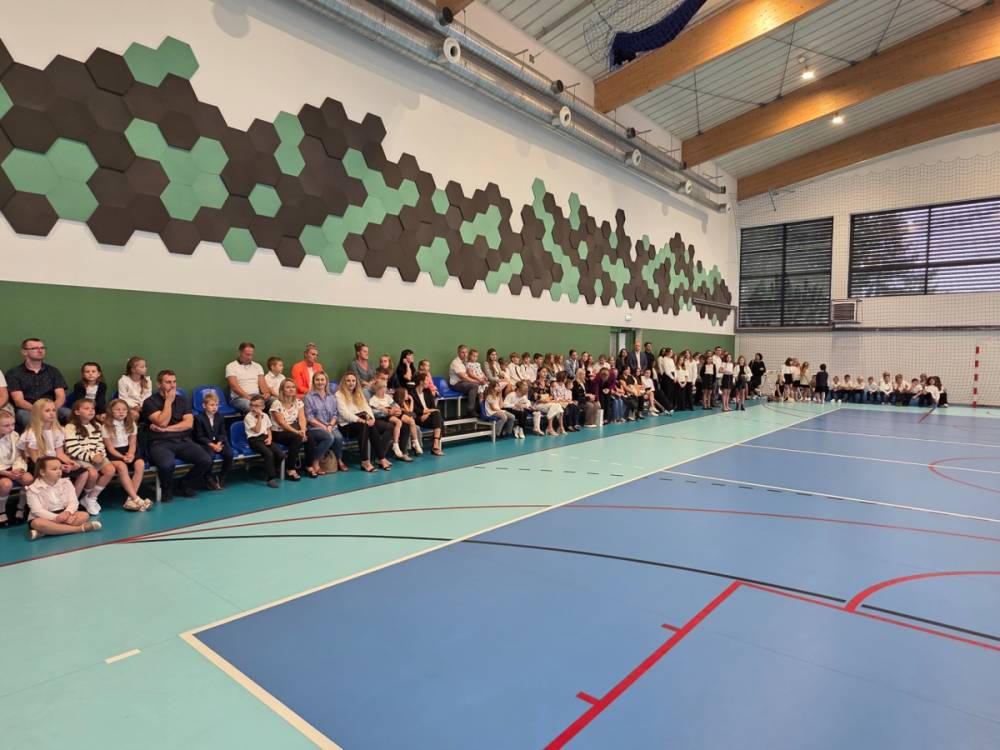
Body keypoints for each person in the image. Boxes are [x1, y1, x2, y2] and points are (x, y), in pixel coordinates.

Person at [141, 370, 212, 502]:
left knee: (206, 460)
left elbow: (188, 424)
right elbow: (162, 422)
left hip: (182, 440)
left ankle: (184, 483)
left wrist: (166, 429)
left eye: (174, 382)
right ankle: (166, 490)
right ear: (159, 384)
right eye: (168, 382)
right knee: (167, 465)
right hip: (159, 443)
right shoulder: (149, 402)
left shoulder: (183, 400)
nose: (172, 385)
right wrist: (168, 402)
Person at [19, 398, 87, 497]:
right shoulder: (31, 434)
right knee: (54, 475)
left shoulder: (57, 430)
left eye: (54, 410)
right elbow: (36, 459)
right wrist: (58, 467)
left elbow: (60, 453)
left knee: (83, 473)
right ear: (38, 413)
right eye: (47, 411)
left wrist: (70, 462)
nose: (52, 413)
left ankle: (72, 501)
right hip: (38, 464)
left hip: (54, 461)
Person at [25, 456, 101, 541]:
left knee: (84, 515)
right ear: (42, 472)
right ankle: (79, 529)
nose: (59, 471)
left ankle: (44, 532)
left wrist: (67, 513)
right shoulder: (32, 488)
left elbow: (73, 502)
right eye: (54, 469)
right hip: (45, 517)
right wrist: (57, 518)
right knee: (38, 523)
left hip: (65, 513)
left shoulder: (66, 482)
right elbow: (37, 510)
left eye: (60, 468)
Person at [64, 398, 115, 515]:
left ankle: (91, 498)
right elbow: (72, 449)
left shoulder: (97, 426)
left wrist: (100, 455)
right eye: (86, 408)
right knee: (93, 474)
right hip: (79, 458)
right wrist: (91, 457)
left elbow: (100, 444)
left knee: (110, 470)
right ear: (77, 412)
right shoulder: (70, 427)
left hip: (95, 456)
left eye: (92, 408)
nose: (91, 411)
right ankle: (85, 497)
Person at [7, 338, 70, 428]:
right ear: (24, 352)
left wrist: (51, 410)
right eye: (35, 348)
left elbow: (61, 396)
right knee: (25, 418)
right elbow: (19, 401)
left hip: (52, 407)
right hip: (28, 409)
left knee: (69, 414)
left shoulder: (53, 371)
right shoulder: (14, 373)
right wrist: (39, 411)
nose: (40, 350)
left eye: (42, 348)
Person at [101, 398, 150, 510]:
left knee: (140, 464)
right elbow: (110, 448)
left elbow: (132, 444)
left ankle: (130, 499)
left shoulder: (131, 423)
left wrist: (131, 454)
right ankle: (136, 499)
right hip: (114, 453)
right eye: (117, 410)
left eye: (124, 409)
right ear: (111, 411)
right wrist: (122, 457)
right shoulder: (105, 426)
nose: (121, 412)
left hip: (128, 450)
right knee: (122, 466)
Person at [337, 372, 389, 471]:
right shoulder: (339, 395)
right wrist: (361, 420)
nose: (351, 383)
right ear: (344, 382)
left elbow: (366, 408)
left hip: (360, 422)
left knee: (371, 425)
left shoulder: (358, 393)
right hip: (346, 426)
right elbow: (344, 414)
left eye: (353, 381)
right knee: (364, 425)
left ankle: (381, 458)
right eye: (348, 381)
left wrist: (372, 418)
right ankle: (365, 461)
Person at [303, 371, 347, 474]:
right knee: (329, 437)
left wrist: (330, 425)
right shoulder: (308, 397)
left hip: (330, 426)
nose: (320, 382)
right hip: (314, 428)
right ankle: (315, 462)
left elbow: (335, 414)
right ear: (313, 381)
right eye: (317, 380)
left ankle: (339, 460)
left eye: (322, 379)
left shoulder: (331, 397)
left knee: (338, 437)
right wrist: (323, 426)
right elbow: (309, 417)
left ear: (326, 381)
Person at [269, 378, 309, 479]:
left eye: (293, 387)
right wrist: (298, 432)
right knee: (297, 438)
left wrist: (303, 430)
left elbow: (302, 418)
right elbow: (282, 423)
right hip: (278, 432)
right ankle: (290, 468)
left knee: (310, 436)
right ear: (282, 390)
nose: (291, 389)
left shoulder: (298, 402)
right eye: (288, 387)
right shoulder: (276, 403)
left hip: (293, 430)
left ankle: (309, 466)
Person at [194, 391, 233, 490]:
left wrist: (219, 443)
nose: (214, 407)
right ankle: (208, 478)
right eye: (211, 405)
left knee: (229, 454)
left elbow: (223, 433)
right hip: (206, 444)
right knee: (209, 456)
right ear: (204, 406)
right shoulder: (199, 418)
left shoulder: (220, 417)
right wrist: (212, 445)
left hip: (218, 443)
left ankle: (222, 476)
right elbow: (199, 437)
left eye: (216, 405)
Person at [369, 377, 412, 462]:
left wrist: (396, 411)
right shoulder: (373, 400)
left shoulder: (387, 397)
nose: (386, 389)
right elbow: (373, 413)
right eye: (384, 387)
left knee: (406, 425)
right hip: (379, 419)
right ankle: (381, 456)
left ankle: (402, 452)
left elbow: (396, 406)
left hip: (390, 417)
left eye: (386, 387)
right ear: (379, 389)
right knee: (391, 426)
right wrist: (387, 412)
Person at [0, 410, 31, 527]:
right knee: (6, 484)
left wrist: (19, 469)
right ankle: (1, 510)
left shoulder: (15, 435)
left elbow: (19, 455)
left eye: (13, 424)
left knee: (28, 479)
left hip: (12, 468)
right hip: (1, 470)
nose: (11, 428)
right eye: (6, 425)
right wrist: (6, 473)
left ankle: (20, 507)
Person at [243, 396, 283, 488]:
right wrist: (260, 417)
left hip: (265, 437)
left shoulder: (266, 415)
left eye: (257, 406)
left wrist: (270, 438)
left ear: (263, 407)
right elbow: (256, 430)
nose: (254, 408)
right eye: (252, 405)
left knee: (280, 455)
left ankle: (270, 470)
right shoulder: (248, 417)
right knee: (269, 454)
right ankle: (270, 478)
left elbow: (268, 428)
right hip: (254, 440)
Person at [226, 342, 268, 413]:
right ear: (240, 352)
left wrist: (266, 393)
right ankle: (257, 420)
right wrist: (250, 398)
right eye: (247, 354)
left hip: (257, 397)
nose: (249, 357)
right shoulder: (231, 366)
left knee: (275, 402)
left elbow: (263, 384)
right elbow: (234, 387)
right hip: (239, 398)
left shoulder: (257, 366)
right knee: (252, 406)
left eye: (251, 355)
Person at [412, 375, 444, 455]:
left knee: (437, 414)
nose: (429, 382)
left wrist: (427, 413)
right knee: (438, 418)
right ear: (421, 382)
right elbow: (415, 410)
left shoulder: (427, 391)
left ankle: (435, 444)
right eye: (426, 380)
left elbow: (433, 407)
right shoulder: (412, 393)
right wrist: (425, 413)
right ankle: (435, 447)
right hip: (418, 418)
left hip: (428, 417)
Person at [448, 344, 480, 414]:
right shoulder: (455, 363)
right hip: (455, 384)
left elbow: (470, 373)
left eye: (466, 352)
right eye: (462, 352)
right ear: (458, 353)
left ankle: (480, 409)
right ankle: (470, 410)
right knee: (474, 386)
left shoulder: (466, 362)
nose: (465, 354)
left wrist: (481, 379)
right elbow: (464, 378)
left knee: (482, 386)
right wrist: (477, 381)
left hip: (464, 383)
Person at [393, 387, 423, 455]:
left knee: (417, 428)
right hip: (400, 422)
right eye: (406, 394)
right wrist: (409, 413)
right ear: (402, 395)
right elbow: (410, 413)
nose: (408, 395)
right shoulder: (396, 404)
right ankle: (408, 448)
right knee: (411, 426)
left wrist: (412, 400)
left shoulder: (405, 403)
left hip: (407, 421)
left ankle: (417, 446)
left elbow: (410, 413)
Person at [657, 348, 676, 415]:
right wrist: (672, 377)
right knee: (667, 392)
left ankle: (670, 407)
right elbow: (666, 370)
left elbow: (674, 369)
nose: (671, 353)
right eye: (670, 352)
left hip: (672, 376)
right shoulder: (664, 359)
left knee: (671, 392)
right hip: (667, 377)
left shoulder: (671, 359)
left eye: (672, 352)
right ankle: (666, 407)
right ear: (667, 353)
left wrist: (675, 377)